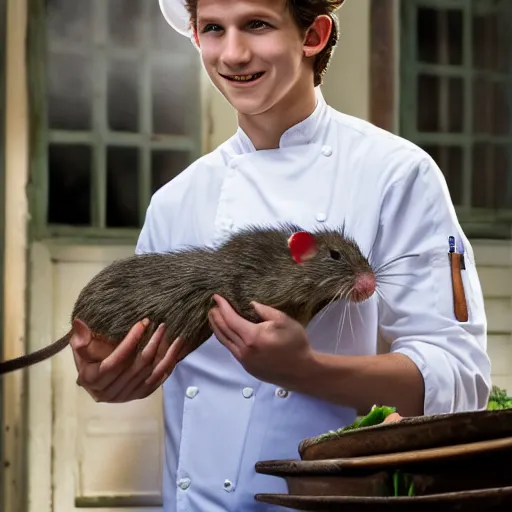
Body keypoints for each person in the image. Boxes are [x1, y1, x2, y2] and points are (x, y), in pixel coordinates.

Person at [69, 0, 492, 510]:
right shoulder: (176, 201)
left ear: (313, 35)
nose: (233, 53)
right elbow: (143, 358)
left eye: (257, 25)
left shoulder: (395, 174)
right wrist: (107, 378)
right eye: (212, 29)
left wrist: (305, 368)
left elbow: (463, 381)